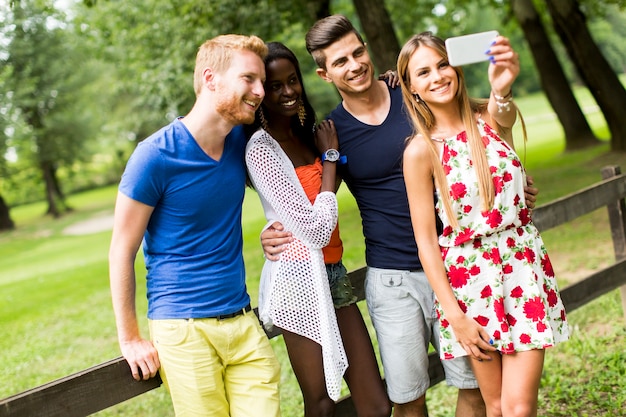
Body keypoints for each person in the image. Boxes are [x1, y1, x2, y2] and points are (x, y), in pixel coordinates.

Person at [262, 15, 535, 417]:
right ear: (323, 73)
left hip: (460, 267)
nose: (354, 65)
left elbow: (481, 127)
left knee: (475, 388)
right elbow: (311, 200)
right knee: (408, 399)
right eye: (340, 62)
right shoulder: (330, 134)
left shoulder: (415, 97)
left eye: (358, 52)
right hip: (393, 281)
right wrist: (272, 232)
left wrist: (513, 183)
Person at [397, 32, 569, 416]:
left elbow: (504, 116)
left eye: (442, 64)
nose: (437, 76)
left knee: (518, 406)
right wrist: (455, 316)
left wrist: (502, 87)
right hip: (470, 285)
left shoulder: (488, 117)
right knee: (494, 406)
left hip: (521, 267)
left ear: (456, 65)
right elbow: (426, 243)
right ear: (411, 87)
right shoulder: (420, 151)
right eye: (423, 72)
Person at [108, 34, 281, 417]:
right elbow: (122, 249)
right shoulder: (154, 157)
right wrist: (130, 338)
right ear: (210, 79)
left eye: (262, 83)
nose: (260, 91)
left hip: (243, 323)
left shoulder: (242, 141)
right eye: (249, 79)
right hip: (183, 330)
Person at [245, 41, 391, 417]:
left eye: (292, 80)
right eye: (275, 85)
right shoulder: (261, 149)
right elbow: (315, 231)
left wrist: (389, 83)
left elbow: (326, 190)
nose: (288, 91)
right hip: (297, 283)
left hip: (334, 273)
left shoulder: (313, 133)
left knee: (375, 405)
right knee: (321, 404)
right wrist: (329, 159)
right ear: (259, 90)